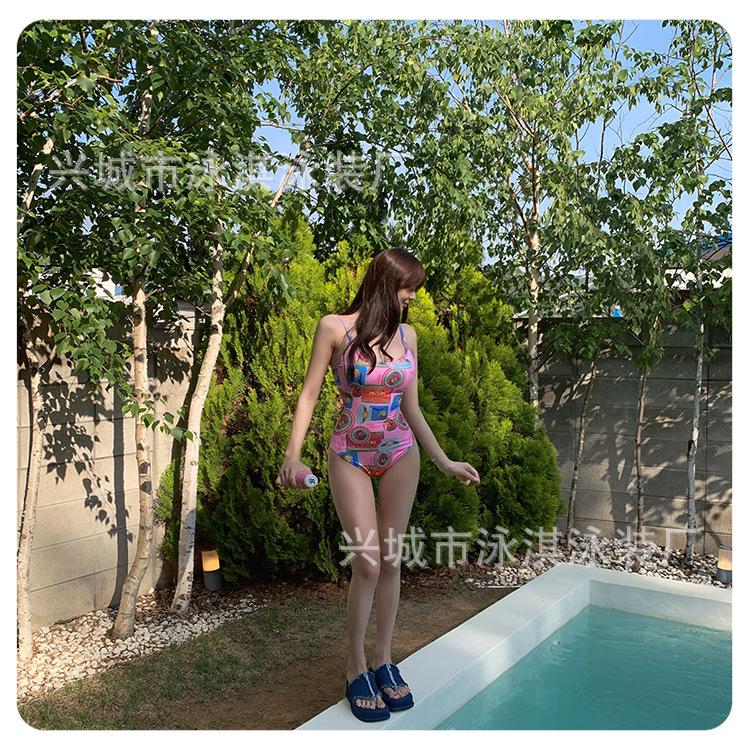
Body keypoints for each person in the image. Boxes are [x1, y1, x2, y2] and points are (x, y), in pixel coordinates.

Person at [275, 247, 480, 722]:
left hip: (400, 453)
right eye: (409, 288)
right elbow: (309, 394)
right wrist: (292, 454)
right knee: (366, 563)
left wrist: (444, 461)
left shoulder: (407, 336)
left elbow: (412, 407)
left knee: (390, 559)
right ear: (387, 284)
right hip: (350, 452)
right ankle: (355, 666)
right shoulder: (335, 328)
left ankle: (384, 660)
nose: (413, 298)